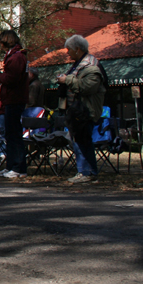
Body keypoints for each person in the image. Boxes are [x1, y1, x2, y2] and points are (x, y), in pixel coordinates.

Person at [56, 35, 107, 184]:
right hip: (77, 111)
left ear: (78, 49)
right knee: (78, 141)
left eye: (69, 49)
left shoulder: (91, 66)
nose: (67, 52)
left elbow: (87, 87)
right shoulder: (79, 64)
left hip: (86, 111)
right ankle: (84, 171)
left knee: (83, 141)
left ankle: (87, 172)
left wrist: (67, 79)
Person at [0, 30, 29, 179]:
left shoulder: (16, 57)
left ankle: (18, 168)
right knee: (10, 134)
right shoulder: (15, 56)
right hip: (11, 99)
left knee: (14, 135)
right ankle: (11, 166)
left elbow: (11, 79)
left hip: (14, 99)